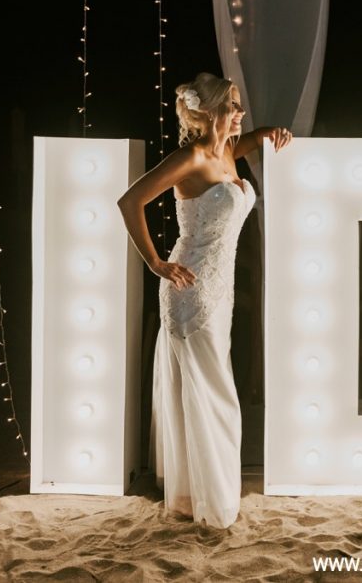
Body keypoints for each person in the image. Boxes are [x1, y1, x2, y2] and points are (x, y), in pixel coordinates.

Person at [117, 72, 292, 528]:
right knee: (215, 393)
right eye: (232, 105)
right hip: (189, 290)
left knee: (211, 389)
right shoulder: (191, 157)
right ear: (211, 111)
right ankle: (212, 498)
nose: (240, 112)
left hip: (222, 291)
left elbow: (256, 136)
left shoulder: (229, 151)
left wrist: (271, 132)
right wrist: (156, 262)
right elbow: (130, 202)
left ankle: (199, 492)